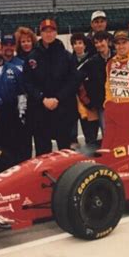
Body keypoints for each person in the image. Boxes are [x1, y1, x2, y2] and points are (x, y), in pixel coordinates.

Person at [22, 19, 78, 155]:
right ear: (40, 33)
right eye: (45, 31)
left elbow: (73, 81)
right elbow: (28, 83)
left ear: (56, 33)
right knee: (43, 151)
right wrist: (42, 98)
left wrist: (58, 98)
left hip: (62, 109)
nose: (48, 34)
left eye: (51, 31)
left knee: (65, 150)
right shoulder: (32, 57)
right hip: (41, 111)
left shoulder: (67, 56)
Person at [78, 30, 114, 134]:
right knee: (107, 132)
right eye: (96, 43)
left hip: (119, 102)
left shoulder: (117, 57)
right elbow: (77, 76)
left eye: (101, 41)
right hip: (102, 105)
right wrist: (88, 100)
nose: (98, 45)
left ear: (107, 41)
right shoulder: (91, 62)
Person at [70, 33, 99, 146]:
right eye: (75, 43)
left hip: (88, 100)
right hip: (73, 101)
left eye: (80, 43)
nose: (78, 46)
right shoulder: (69, 60)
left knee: (90, 134)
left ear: (85, 45)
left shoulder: (92, 60)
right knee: (72, 136)